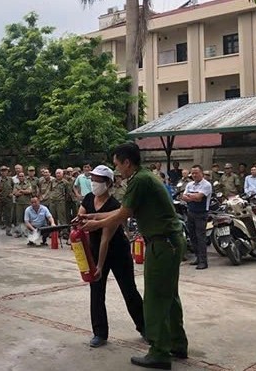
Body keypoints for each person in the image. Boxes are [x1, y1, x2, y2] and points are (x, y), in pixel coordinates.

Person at [79, 143, 187, 370]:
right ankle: (177, 343)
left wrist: (93, 224)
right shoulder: (145, 177)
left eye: (118, 164)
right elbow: (122, 211)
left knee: (155, 298)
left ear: (127, 162)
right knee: (169, 296)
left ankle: (159, 352)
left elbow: (123, 215)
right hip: (169, 242)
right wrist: (92, 215)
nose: (117, 169)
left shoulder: (138, 180)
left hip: (162, 243)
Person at [77, 165, 144, 348]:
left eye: (98, 180)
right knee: (96, 291)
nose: (94, 183)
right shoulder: (89, 198)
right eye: (92, 179)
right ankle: (100, 333)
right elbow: (80, 220)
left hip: (117, 252)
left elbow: (106, 239)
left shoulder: (115, 205)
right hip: (94, 250)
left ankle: (144, 327)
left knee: (129, 290)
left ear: (107, 183)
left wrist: (99, 265)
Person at [182, 165, 213, 270]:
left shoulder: (206, 185)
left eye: (196, 173)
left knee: (201, 238)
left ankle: (203, 262)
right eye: (193, 173)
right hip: (190, 212)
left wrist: (191, 196)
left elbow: (199, 198)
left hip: (201, 214)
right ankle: (198, 258)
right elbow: (183, 197)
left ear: (202, 173)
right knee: (192, 237)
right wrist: (193, 197)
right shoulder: (190, 184)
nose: (194, 175)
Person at [12, 172, 32, 238]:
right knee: (19, 218)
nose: (21, 177)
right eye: (20, 176)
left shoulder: (28, 183)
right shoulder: (16, 184)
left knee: (27, 219)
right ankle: (19, 232)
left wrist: (20, 191)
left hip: (27, 203)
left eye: (22, 176)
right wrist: (24, 191)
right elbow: (15, 193)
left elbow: (29, 191)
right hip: (19, 204)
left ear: (24, 177)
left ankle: (27, 232)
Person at [0, 166, 14, 235]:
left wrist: (12, 193)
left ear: (7, 171)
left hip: (8, 199)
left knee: (8, 215)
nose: (3, 172)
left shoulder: (10, 179)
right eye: (2, 171)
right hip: (0, 199)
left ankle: (8, 230)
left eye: (5, 171)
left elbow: (14, 187)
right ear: (0, 172)